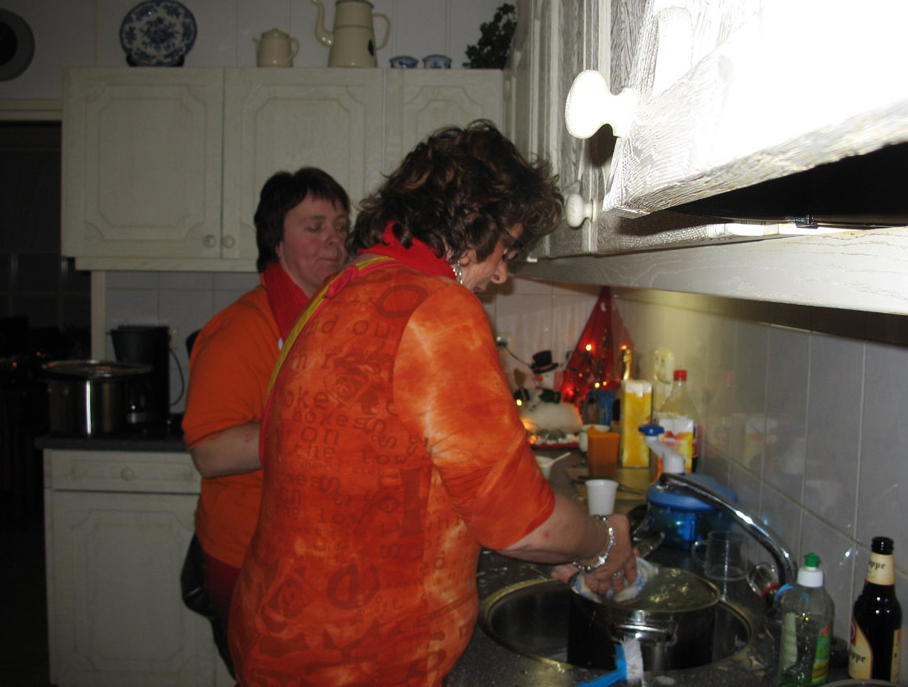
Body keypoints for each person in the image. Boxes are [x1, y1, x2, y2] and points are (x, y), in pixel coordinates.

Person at [228, 121, 638, 685]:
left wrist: (558, 548)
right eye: (507, 247)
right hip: (360, 659)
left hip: (279, 630)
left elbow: (397, 471)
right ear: (473, 220)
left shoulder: (347, 285)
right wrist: (605, 541)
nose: (502, 273)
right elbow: (519, 524)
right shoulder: (438, 309)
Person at [182, 167, 350, 673]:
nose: (334, 240)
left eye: (341, 226)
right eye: (314, 227)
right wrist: (320, 431)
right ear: (276, 241)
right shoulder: (242, 329)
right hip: (247, 557)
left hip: (307, 554)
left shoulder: (332, 319)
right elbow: (210, 452)